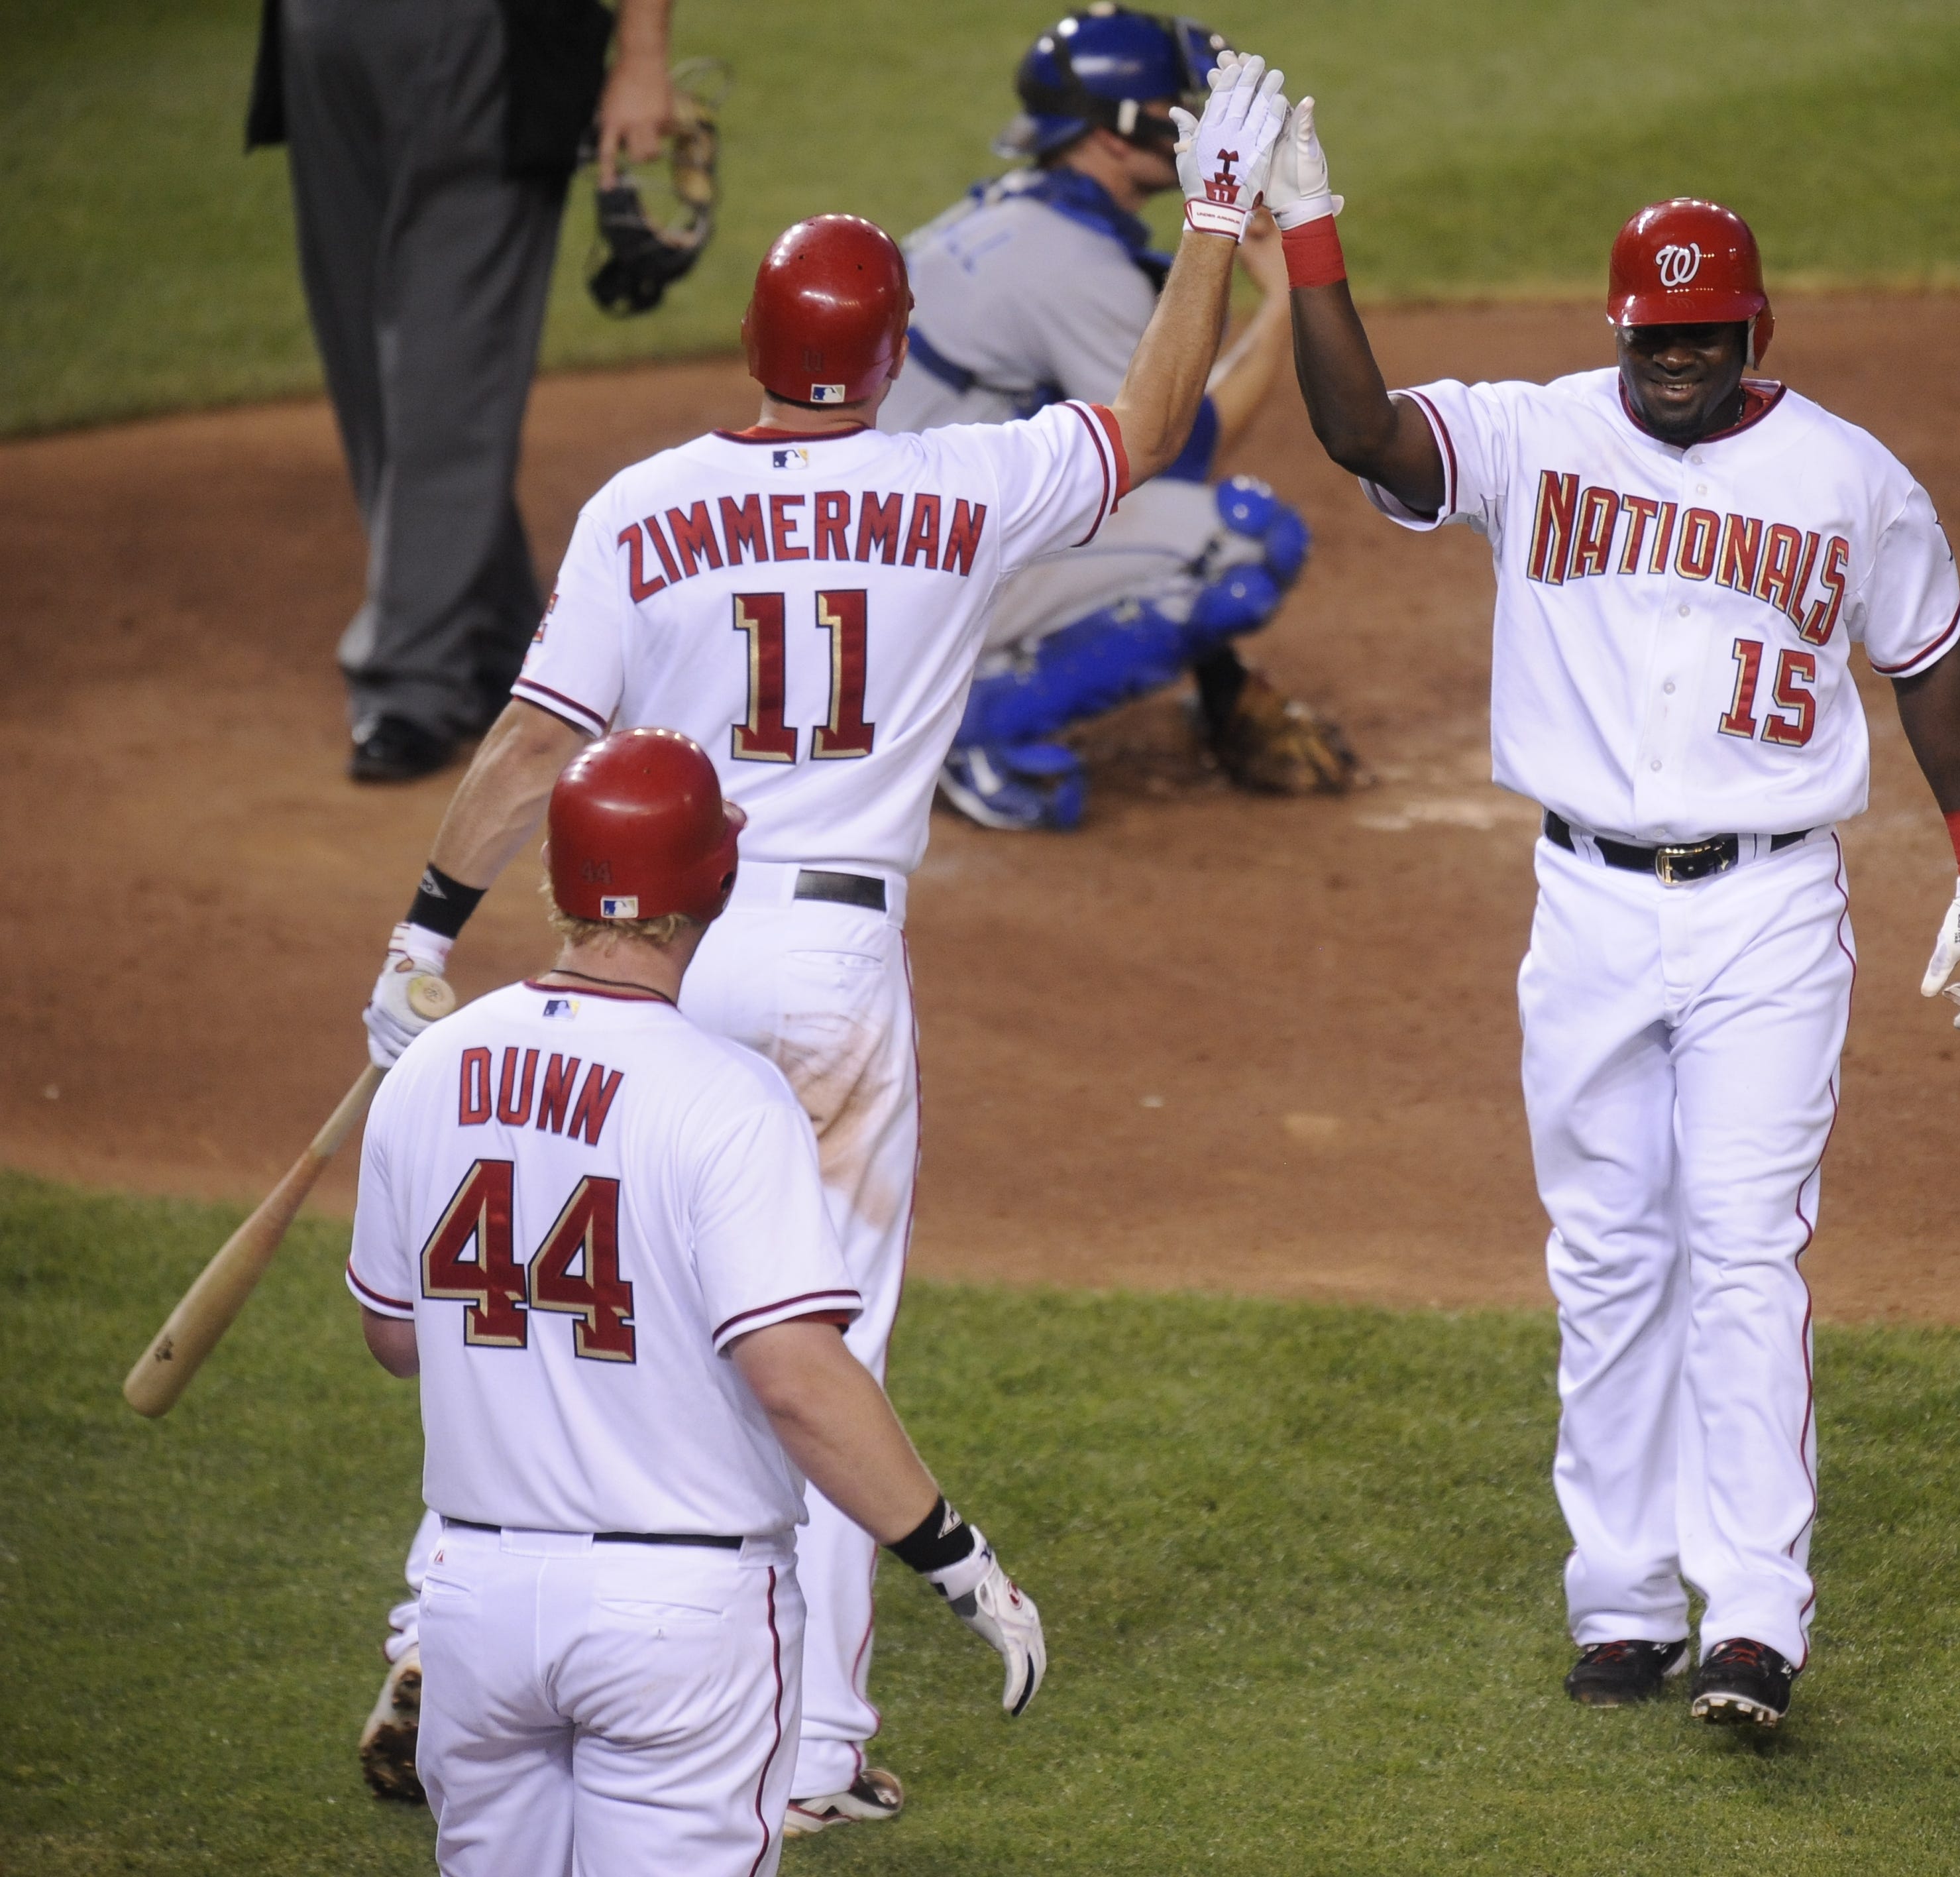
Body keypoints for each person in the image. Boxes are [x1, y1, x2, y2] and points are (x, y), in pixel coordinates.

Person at [349, 48, 1295, 1829]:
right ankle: (809, 1750)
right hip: (835, 969)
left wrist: (426, 929)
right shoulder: (956, 489)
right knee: (814, 1329)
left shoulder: (641, 508)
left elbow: (534, 744)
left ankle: (440, 1623)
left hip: (652, 949)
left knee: (577, 1277)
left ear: (759, 352)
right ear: (884, 357)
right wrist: (1220, 216)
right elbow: (1161, 421)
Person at [1276, 151, 1960, 1729]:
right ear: (1617, 330)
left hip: (1767, 911)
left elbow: (1930, 666)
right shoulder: (1534, 433)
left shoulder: (1850, 475)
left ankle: (1754, 1618)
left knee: (1746, 1256)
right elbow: (1360, 429)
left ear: (1757, 332)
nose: (1675, 365)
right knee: (1610, 1258)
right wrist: (1310, 236)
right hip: (1588, 906)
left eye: (1704, 340)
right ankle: (1621, 1601)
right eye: (1652, 341)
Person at [348, 726, 1043, 1875]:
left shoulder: (432, 1067)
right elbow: (798, 1379)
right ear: (716, 879)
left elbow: (392, 1335)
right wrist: (954, 1555)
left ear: (558, 878)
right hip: (678, 1615)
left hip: (472, 1602)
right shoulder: (727, 1096)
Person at [881, 4, 1354, 832]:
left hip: (876, 553)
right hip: (914, 591)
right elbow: (1171, 453)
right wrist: (1281, 300)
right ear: (1111, 135)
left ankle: (947, 685)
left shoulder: (1008, 216)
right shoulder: (1074, 269)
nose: (1199, 128)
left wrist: (1222, 682)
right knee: (1241, 542)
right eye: (1175, 106)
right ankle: (969, 727)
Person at [246, 0, 677, 783]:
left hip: (487, 35)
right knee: (365, 364)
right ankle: (497, 644)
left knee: (451, 351)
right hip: (321, 31)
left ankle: (411, 680)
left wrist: (643, 52)